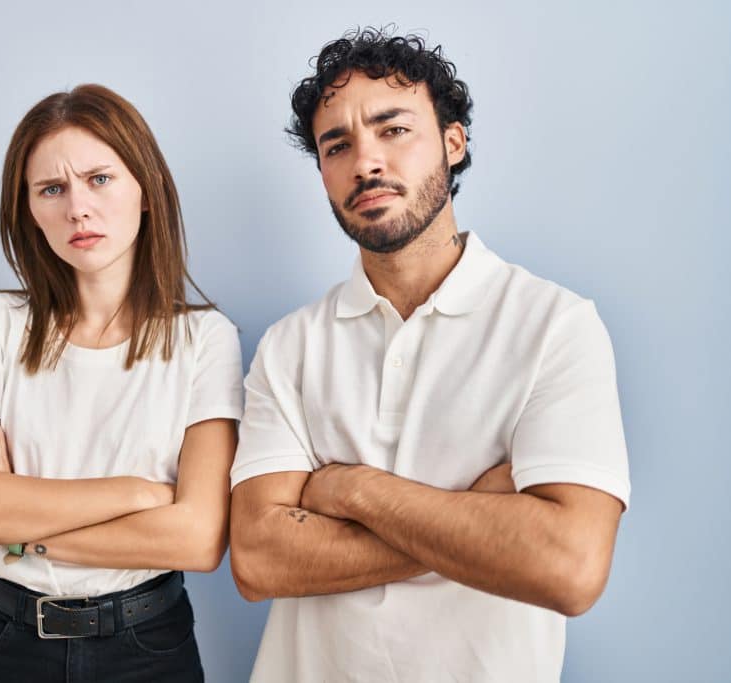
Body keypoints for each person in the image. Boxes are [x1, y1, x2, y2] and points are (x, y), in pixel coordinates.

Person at [229, 28, 631, 682]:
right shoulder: (290, 346)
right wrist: (481, 516)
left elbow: (569, 565)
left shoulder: (554, 326)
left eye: (393, 130)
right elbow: (259, 560)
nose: (366, 162)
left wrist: (349, 487)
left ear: (453, 141)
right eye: (339, 145)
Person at [0, 84, 243, 683]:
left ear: (146, 191)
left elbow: (198, 537)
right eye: (52, 189)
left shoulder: (206, 339)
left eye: (99, 179)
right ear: (29, 211)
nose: (77, 209)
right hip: (5, 642)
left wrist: (16, 530)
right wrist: (136, 494)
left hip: (148, 647)